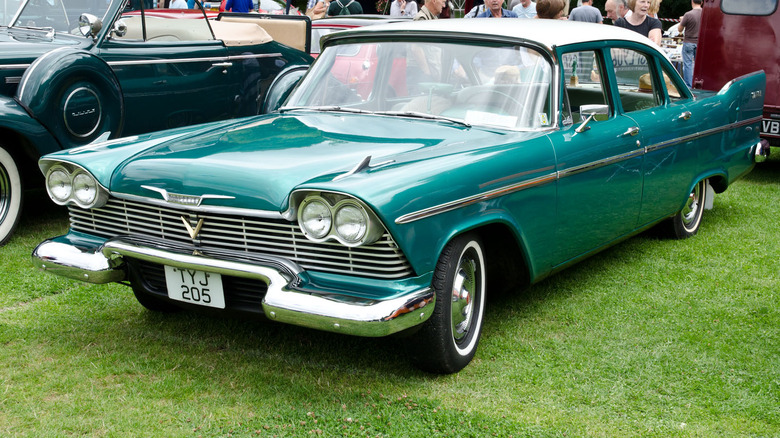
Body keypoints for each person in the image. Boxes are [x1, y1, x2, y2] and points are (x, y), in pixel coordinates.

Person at [677, 0, 702, 87]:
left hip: (688, 42)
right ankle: (698, 84)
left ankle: (688, 85)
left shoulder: (688, 14)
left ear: (692, 2)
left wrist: (681, 20)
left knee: (688, 65)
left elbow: (680, 29)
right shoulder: (705, 14)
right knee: (698, 66)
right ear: (702, 2)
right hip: (700, 43)